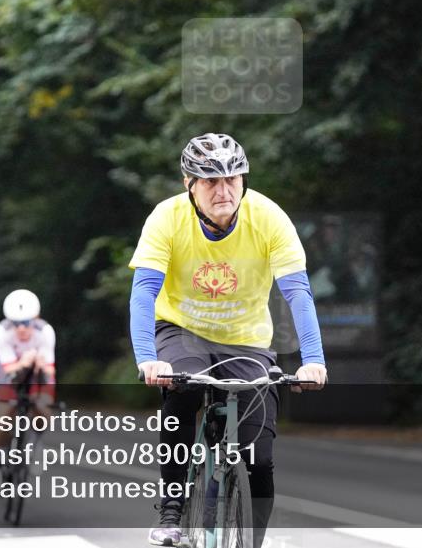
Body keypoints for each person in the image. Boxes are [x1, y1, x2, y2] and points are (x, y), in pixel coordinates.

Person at [129, 133, 327, 548]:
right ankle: (171, 510)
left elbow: (297, 293)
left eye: (232, 179)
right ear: (189, 184)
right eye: (210, 181)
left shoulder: (269, 218)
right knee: (180, 395)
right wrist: (149, 358)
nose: (223, 191)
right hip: (181, 331)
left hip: (247, 342)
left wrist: (314, 360)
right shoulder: (166, 219)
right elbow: (144, 291)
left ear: (244, 180)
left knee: (261, 458)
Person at [0, 289, 56, 459]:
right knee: (5, 409)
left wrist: (40, 364)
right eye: (16, 323)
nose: (22, 328)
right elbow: (9, 369)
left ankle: (35, 439)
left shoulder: (46, 331)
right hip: (10, 370)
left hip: (36, 371)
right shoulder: (1, 331)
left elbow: (50, 369)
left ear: (36, 319)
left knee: (43, 406)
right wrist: (24, 362)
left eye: (26, 322)